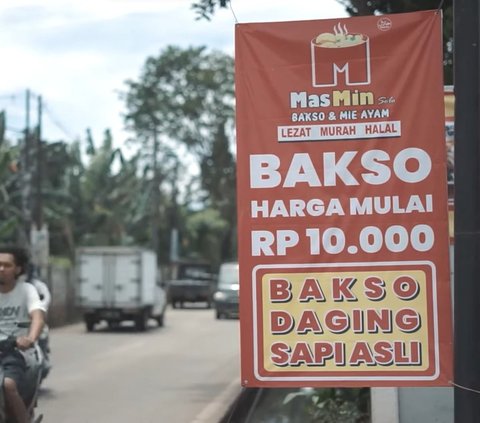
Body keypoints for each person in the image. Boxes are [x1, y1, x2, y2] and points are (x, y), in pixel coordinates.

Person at [0, 245, 45, 423]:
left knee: (8, 384)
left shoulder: (26, 290)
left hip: (14, 351)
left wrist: (30, 338)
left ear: (18, 269)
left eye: (7, 265)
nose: (1, 269)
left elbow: (38, 317)